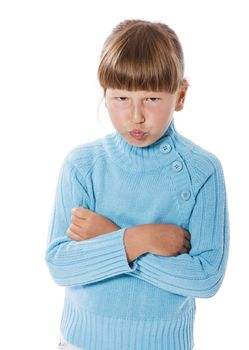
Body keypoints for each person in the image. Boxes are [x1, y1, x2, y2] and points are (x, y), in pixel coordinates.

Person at [45, 19, 230, 350]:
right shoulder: (83, 165)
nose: (136, 116)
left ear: (181, 96)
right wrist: (139, 238)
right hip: (80, 343)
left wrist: (107, 237)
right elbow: (61, 264)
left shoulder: (202, 171)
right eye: (120, 98)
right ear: (104, 94)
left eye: (152, 99)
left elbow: (205, 278)